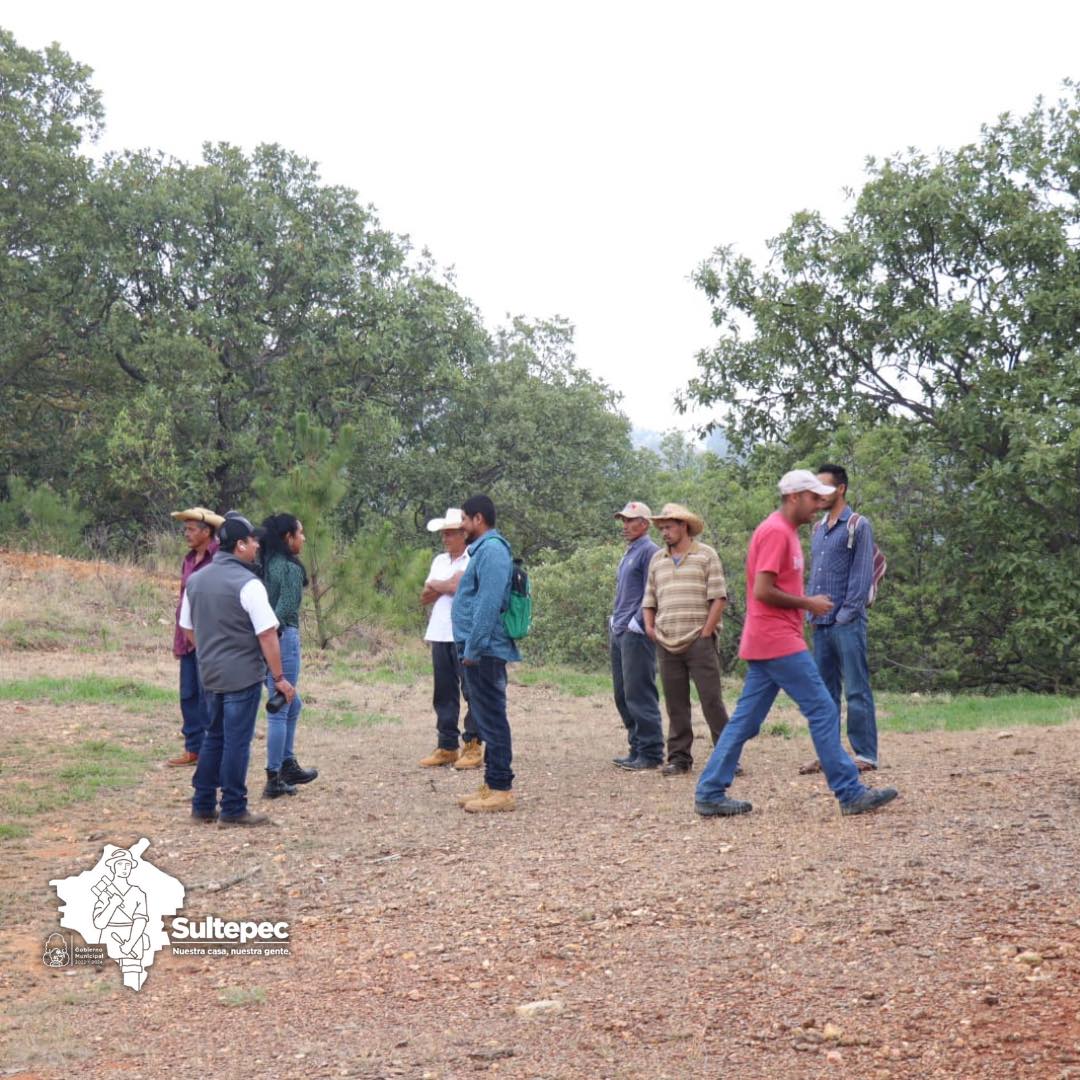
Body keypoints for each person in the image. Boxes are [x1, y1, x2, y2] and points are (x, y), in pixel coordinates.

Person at [694, 470, 899, 818]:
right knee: (822, 708)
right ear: (794, 497)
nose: (819, 505)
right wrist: (809, 603)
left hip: (767, 639)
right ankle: (849, 792)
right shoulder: (776, 532)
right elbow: (762, 590)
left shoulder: (783, 531)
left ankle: (710, 791)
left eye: (822, 497)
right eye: (813, 498)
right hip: (777, 640)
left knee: (745, 721)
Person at [179, 514, 294, 827]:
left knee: (212, 737)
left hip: (210, 673)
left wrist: (211, 651)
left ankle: (202, 804)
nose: (257, 545)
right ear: (240, 545)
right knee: (236, 741)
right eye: (252, 540)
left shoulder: (196, 580)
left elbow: (188, 628)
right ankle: (232, 807)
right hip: (242, 674)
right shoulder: (249, 584)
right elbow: (268, 634)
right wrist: (280, 678)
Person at [642, 503, 730, 776]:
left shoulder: (706, 555)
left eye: (669, 527)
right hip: (666, 640)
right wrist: (649, 627)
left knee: (711, 700)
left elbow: (718, 597)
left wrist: (706, 631)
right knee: (675, 703)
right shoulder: (658, 559)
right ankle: (679, 758)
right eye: (662, 528)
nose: (664, 532)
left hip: (698, 639)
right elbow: (649, 598)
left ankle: (727, 755)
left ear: (684, 526)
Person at [804, 464, 879, 772]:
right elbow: (815, 575)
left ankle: (865, 755)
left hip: (846, 622)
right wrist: (811, 612)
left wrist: (845, 616)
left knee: (856, 689)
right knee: (824, 692)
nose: (819, 494)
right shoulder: (817, 529)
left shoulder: (858, 525)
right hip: (820, 623)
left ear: (841, 489)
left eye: (824, 488)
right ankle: (828, 754)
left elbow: (862, 577)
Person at [451, 495, 520, 813]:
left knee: (492, 719)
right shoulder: (483, 551)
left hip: (485, 651)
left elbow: (488, 603)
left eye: (464, 519)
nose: (461, 526)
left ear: (478, 519)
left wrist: (474, 648)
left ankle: (501, 789)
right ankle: (492, 784)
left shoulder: (492, 551)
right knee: (487, 717)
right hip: (477, 649)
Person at [260, 513, 319, 799]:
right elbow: (284, 610)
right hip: (282, 639)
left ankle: (286, 764)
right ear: (288, 537)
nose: (303, 538)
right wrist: (273, 634)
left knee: (292, 706)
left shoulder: (265, 564)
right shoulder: (290, 570)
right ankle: (275, 775)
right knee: (281, 706)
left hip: (263, 639)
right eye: (300, 533)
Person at [418, 508, 482, 770]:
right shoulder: (439, 560)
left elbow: (459, 587)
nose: (445, 538)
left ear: (462, 534)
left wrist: (440, 585)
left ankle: (474, 744)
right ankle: (447, 745)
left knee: (472, 690)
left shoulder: (473, 558)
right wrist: (448, 584)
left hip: (463, 634)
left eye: (450, 533)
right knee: (443, 692)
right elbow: (424, 595)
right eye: (443, 533)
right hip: (439, 633)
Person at [166, 507, 223, 767]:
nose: (186, 534)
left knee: (208, 694)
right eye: (185, 529)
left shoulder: (220, 557)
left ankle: (212, 749)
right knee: (188, 692)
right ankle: (193, 749)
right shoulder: (189, 559)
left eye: (191, 529)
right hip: (186, 634)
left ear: (206, 531)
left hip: (209, 636)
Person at [609, 501, 664, 771]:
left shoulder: (650, 551)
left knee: (639, 691)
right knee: (622, 693)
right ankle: (636, 746)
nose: (625, 525)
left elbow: (653, 591)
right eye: (623, 520)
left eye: (630, 520)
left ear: (644, 523)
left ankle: (651, 751)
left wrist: (637, 622)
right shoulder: (631, 551)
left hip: (635, 632)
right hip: (619, 628)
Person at [92, 848, 149, 991]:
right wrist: (112, 904)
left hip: (132, 938)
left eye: (127, 865)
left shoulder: (138, 893)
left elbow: (140, 920)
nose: (124, 868)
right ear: (112, 866)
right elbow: (99, 923)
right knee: (107, 983)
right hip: (109, 938)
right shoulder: (104, 893)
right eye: (119, 864)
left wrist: (130, 943)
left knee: (132, 983)